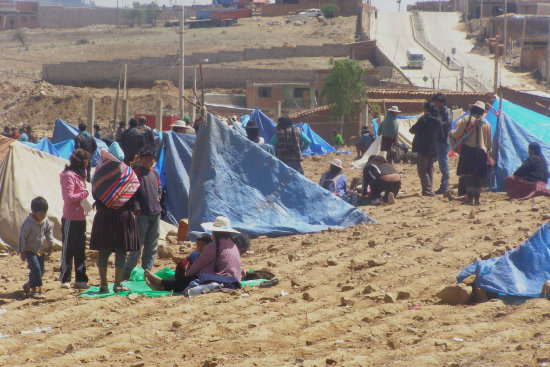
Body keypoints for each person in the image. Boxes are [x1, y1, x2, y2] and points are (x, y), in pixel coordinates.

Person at [145, 216, 242, 292]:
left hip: (224, 279)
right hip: (235, 280)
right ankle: (162, 283)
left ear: (215, 232)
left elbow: (200, 263)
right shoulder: (232, 244)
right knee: (194, 277)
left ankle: (162, 284)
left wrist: (188, 274)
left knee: (194, 278)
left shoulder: (215, 244)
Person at [90, 147, 140, 293]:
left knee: (103, 251)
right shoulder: (128, 174)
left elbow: (95, 195)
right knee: (121, 251)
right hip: (122, 216)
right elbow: (134, 193)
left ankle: (103, 284)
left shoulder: (98, 173)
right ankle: (118, 284)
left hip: (103, 215)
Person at [123, 147, 162, 280]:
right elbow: (132, 192)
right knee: (137, 246)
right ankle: (127, 273)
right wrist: (137, 208)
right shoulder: (137, 172)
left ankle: (147, 272)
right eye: (146, 158)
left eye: (151, 159)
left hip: (156, 213)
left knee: (152, 246)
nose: (149, 161)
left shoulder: (155, 173)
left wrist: (158, 198)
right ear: (141, 159)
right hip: (142, 214)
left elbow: (159, 189)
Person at [450, 101, 492, 206]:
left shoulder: (466, 119)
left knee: (468, 176)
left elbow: (457, 134)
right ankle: (477, 200)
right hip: (481, 152)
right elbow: (489, 143)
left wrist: (451, 133)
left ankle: (470, 199)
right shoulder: (487, 123)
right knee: (478, 176)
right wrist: (488, 152)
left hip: (468, 150)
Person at [59, 149, 91, 289]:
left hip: (80, 218)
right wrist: (83, 194)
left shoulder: (80, 175)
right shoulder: (68, 176)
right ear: (83, 162)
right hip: (70, 218)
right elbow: (68, 197)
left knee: (80, 249)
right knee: (68, 249)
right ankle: (65, 278)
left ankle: (80, 278)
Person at [18, 197, 54, 299]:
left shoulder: (45, 221)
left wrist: (51, 245)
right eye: (40, 213)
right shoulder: (28, 223)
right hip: (29, 250)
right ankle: (36, 290)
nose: (43, 216)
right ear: (33, 212)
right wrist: (22, 251)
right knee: (36, 268)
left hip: (40, 250)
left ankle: (28, 285)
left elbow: (48, 232)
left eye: (44, 213)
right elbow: (22, 237)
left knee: (41, 270)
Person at [410, 102, 441, 196]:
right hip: (434, 147)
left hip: (423, 147)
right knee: (429, 169)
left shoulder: (424, 118)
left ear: (426, 109)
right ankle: (429, 188)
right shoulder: (437, 119)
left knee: (422, 170)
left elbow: (413, 130)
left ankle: (427, 190)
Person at [432, 93, 452, 194]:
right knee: (441, 163)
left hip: (443, 140)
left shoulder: (446, 111)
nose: (434, 104)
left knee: (443, 163)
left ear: (442, 102)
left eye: (436, 102)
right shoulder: (438, 111)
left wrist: (439, 124)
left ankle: (444, 186)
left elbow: (448, 122)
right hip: (439, 139)